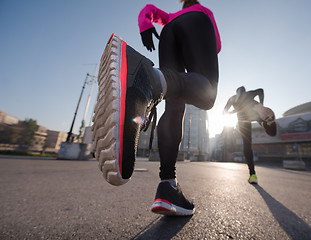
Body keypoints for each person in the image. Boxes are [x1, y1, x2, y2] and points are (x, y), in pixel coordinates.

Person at [92, 0, 221, 216]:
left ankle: (167, 186)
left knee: (173, 105)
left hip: (167, 33)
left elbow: (148, 10)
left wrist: (145, 26)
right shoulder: (203, 11)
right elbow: (215, 44)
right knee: (207, 93)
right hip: (198, 25)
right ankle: (148, 78)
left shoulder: (170, 17)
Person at [223, 86, 277, 184]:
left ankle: (252, 175)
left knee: (247, 146)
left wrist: (234, 111)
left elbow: (224, 111)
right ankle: (266, 123)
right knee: (261, 118)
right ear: (244, 91)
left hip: (243, 120)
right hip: (254, 112)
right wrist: (261, 103)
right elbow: (261, 90)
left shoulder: (232, 98)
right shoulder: (249, 94)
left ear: (237, 92)